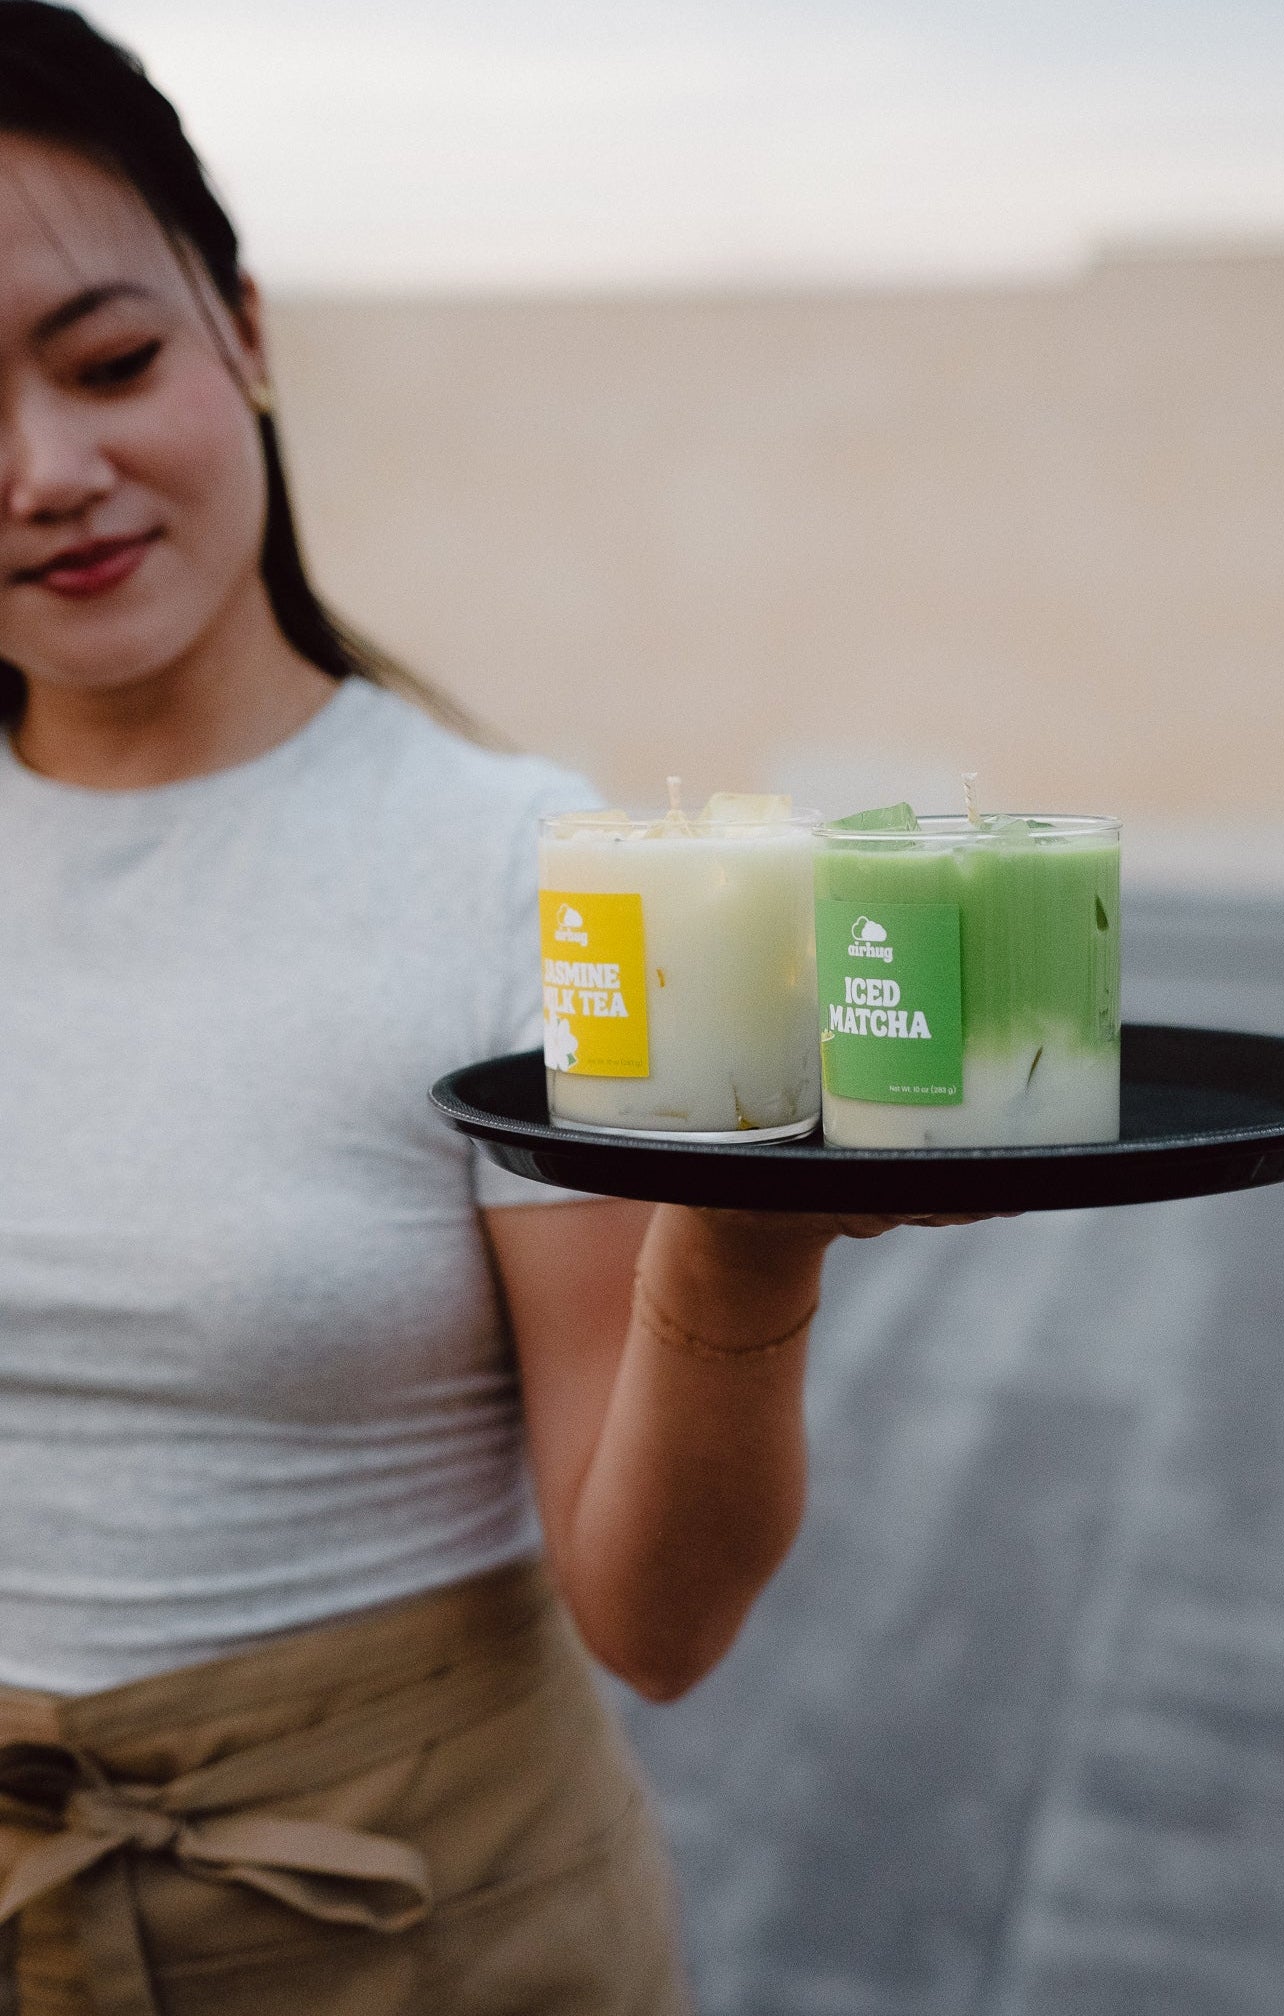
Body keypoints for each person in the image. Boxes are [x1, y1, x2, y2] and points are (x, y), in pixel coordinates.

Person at [0, 7, 984, 2011]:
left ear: (244, 335)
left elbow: (659, 1624)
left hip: (428, 1920)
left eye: (108, 363)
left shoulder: (529, 872)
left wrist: (741, 1238)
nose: (45, 474)